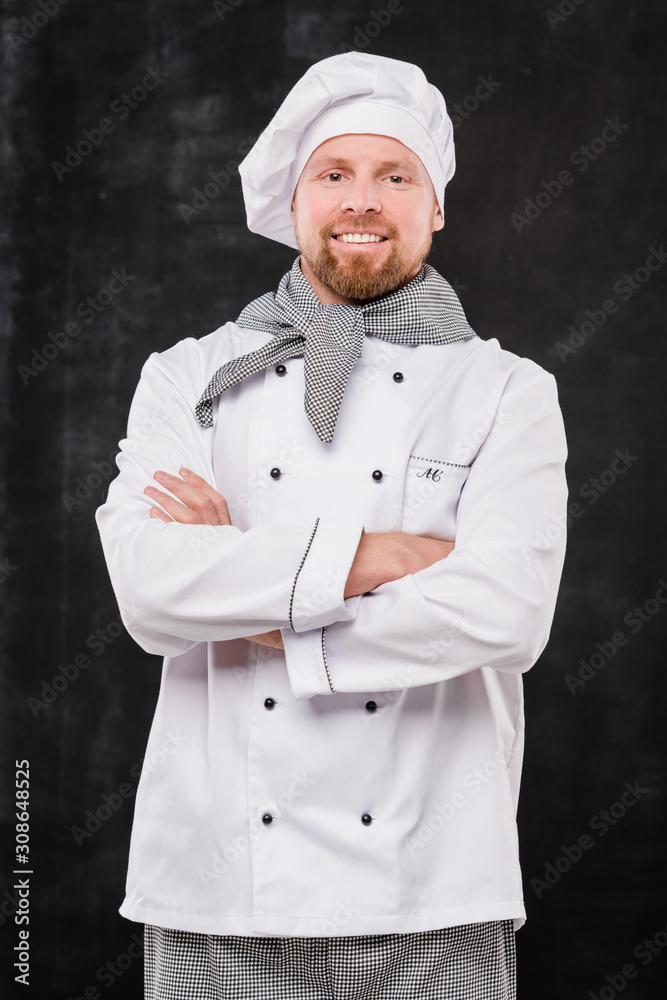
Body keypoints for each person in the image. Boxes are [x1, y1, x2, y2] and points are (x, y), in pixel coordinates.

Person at [95, 51, 568, 1000]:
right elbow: (151, 591)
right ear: (295, 201)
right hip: (217, 890)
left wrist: (260, 604)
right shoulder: (188, 376)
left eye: (394, 175)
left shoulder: (507, 389)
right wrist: (380, 557)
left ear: (434, 205)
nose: (362, 199)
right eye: (334, 174)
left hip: (435, 897)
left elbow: (507, 614)